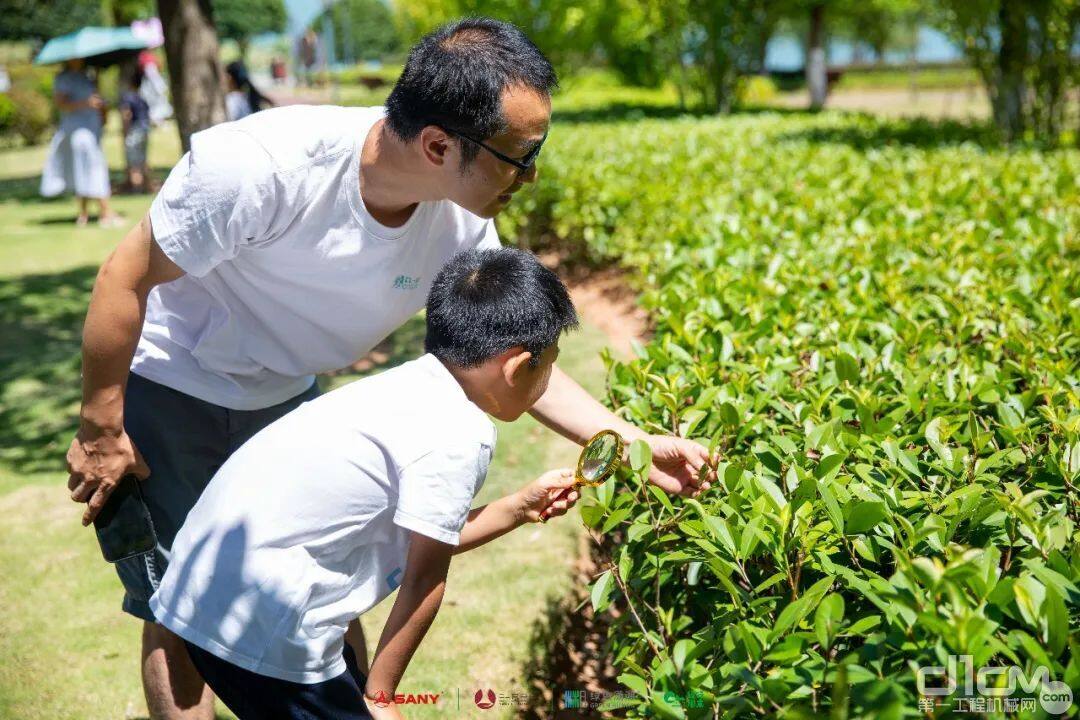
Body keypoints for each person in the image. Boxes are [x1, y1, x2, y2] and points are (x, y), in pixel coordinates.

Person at [66, 18, 712, 720]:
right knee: (185, 601)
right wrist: (102, 424)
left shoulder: (460, 219)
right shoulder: (263, 165)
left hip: (285, 391)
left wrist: (632, 446)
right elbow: (123, 277)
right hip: (175, 379)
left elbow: (512, 360)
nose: (532, 174)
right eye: (520, 156)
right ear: (437, 144)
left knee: (320, 588)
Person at [150, 247, 582, 720]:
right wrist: (382, 696)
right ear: (517, 366)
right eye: (550, 363)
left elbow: (423, 543)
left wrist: (518, 507)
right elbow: (424, 579)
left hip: (202, 591)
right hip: (268, 623)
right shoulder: (460, 433)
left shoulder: (408, 386)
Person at [39, 58, 121, 227]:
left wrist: (101, 108)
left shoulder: (88, 76)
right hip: (78, 132)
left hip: (92, 129)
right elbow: (60, 103)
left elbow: (98, 103)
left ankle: (83, 214)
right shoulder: (64, 78)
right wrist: (85, 103)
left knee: (84, 170)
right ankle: (105, 212)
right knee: (93, 167)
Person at [119, 69, 152, 193]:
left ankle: (136, 189)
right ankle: (147, 187)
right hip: (144, 130)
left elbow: (126, 115)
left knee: (133, 162)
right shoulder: (142, 98)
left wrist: (125, 131)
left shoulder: (127, 97)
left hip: (134, 131)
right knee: (143, 160)